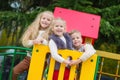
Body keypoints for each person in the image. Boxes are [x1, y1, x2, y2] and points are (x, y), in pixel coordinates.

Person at [12, 11, 54, 80]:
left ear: (51, 23)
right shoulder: (33, 29)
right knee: (15, 71)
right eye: (44, 18)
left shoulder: (51, 33)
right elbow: (25, 42)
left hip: (41, 60)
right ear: (39, 19)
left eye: (48, 20)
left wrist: (43, 41)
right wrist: (33, 42)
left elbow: (52, 46)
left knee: (33, 77)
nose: (45, 21)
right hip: (29, 58)